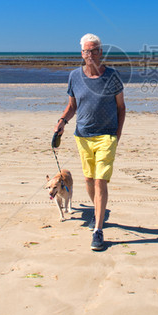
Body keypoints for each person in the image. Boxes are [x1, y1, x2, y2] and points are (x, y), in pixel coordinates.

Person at [54, 33, 125, 251]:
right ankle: (97, 214)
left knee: (100, 181)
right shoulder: (74, 76)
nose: (90, 55)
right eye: (86, 51)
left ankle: (98, 230)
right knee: (88, 179)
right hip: (82, 135)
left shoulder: (112, 76)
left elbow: (121, 108)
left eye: (94, 50)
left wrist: (117, 135)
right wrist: (62, 121)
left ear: (100, 52)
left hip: (107, 136)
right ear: (81, 54)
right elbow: (72, 105)